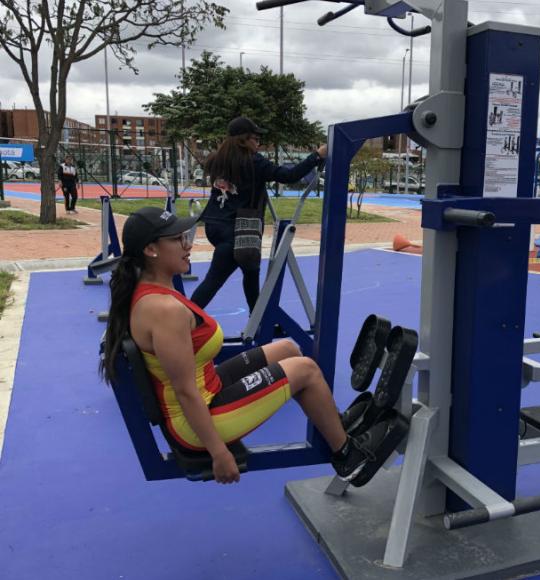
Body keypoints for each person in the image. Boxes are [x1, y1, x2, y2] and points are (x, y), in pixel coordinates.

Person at [99, 207, 397, 485]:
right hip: (195, 421)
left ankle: (332, 422)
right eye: (177, 239)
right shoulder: (165, 311)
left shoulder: (152, 290)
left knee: (289, 349)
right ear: (151, 250)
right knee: (305, 369)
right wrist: (219, 453)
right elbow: (186, 391)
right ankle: (348, 457)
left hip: (208, 387)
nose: (188, 244)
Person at [190, 117, 326, 311]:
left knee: (251, 271)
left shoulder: (216, 159)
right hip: (239, 230)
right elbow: (289, 176)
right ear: (243, 139)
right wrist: (317, 156)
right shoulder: (253, 161)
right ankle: (186, 320)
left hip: (214, 225)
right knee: (215, 280)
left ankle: (257, 319)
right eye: (255, 138)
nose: (258, 143)